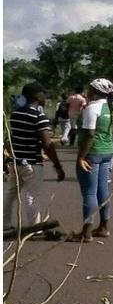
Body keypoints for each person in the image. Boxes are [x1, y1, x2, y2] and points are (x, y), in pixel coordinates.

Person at [3, 83, 65, 231]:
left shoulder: (15, 114)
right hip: (32, 162)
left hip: (15, 161)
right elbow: (47, 144)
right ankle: (35, 227)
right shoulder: (39, 117)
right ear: (37, 96)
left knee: (10, 193)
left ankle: (4, 224)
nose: (46, 97)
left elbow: (12, 137)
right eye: (44, 94)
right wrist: (58, 166)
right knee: (32, 196)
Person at [74, 78, 113, 242]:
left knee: (89, 192)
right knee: (103, 191)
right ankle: (104, 227)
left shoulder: (92, 108)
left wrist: (81, 157)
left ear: (94, 91)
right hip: (108, 152)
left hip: (92, 153)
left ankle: (86, 232)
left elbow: (90, 134)